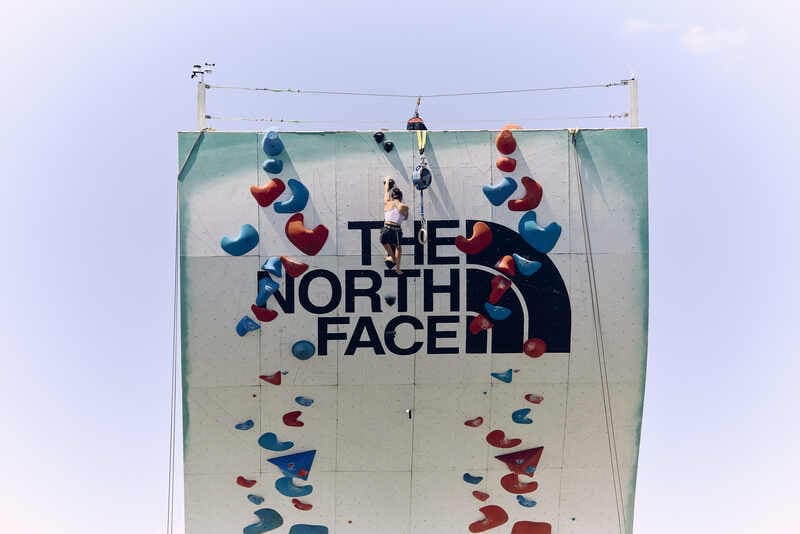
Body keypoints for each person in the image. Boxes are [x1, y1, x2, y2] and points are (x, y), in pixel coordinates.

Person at [381, 177, 409, 275]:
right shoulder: (404, 206)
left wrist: (387, 182)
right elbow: (405, 218)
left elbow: (386, 192)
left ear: (392, 197)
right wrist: (401, 210)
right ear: (400, 198)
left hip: (386, 229)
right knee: (398, 247)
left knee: (384, 241)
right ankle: (397, 268)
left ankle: (393, 258)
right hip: (396, 230)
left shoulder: (387, 202)